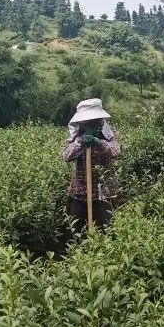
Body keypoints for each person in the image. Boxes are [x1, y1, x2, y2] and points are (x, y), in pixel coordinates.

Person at [62, 98, 121, 232]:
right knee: (76, 229)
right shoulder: (77, 137)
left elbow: (116, 151)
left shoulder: (109, 135)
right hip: (80, 190)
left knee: (106, 228)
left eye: (96, 120)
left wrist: (99, 143)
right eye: (88, 122)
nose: (93, 123)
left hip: (104, 191)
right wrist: (81, 142)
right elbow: (66, 156)